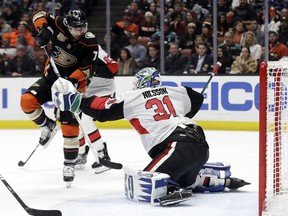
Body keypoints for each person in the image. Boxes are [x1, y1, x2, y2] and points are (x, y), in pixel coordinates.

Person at [52, 67, 250, 205]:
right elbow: (196, 98)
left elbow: (102, 109)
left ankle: (172, 189)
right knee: (184, 180)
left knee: (145, 183)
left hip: (177, 146)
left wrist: (74, 100)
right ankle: (219, 181)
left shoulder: (134, 97)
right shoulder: (176, 91)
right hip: (200, 145)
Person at [19, 9, 104, 186]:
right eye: (76, 29)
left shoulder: (90, 42)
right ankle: (48, 125)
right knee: (27, 101)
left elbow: (88, 69)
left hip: (72, 88)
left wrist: (70, 81)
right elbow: (38, 14)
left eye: (82, 28)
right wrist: (43, 29)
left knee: (69, 127)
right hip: (51, 79)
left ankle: (69, 164)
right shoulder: (58, 24)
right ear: (67, 25)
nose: (79, 32)